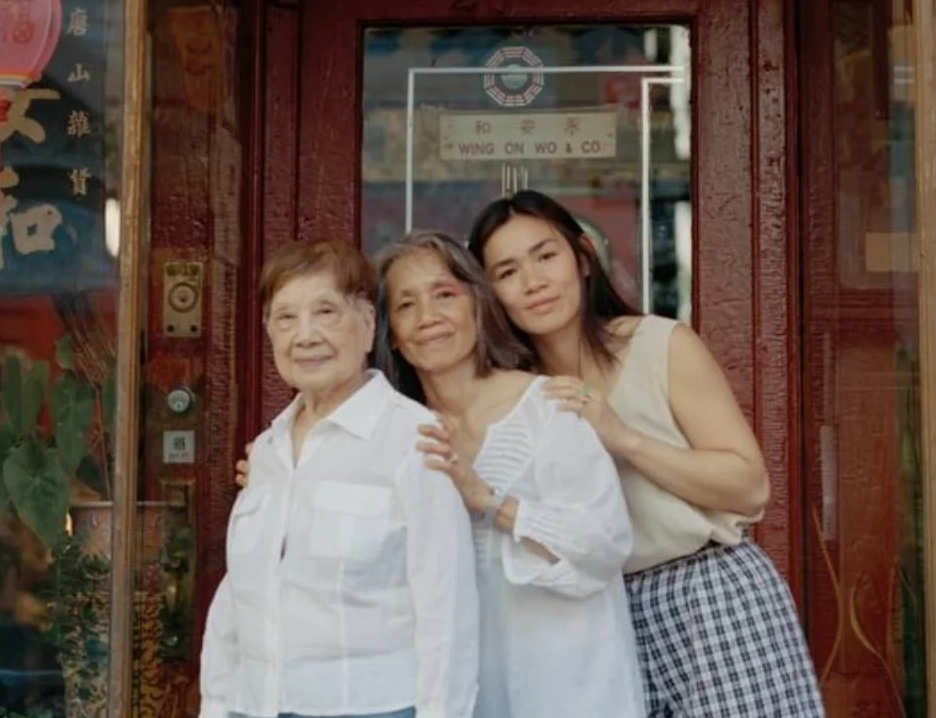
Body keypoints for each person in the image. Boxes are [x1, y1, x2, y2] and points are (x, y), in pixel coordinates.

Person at [468, 190, 825, 718]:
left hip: (708, 593)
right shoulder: (512, 396)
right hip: (590, 611)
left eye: (546, 256)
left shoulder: (661, 345)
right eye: (507, 271)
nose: (533, 282)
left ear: (583, 257)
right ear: (490, 293)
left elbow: (749, 485)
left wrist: (624, 438)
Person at [201, 239, 479, 718]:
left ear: (368, 324)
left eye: (326, 311)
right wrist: (217, 706)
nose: (305, 335)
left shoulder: (411, 440)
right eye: (285, 318)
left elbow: (446, 613)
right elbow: (239, 599)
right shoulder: (268, 450)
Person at [375, 230, 645, 718]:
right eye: (406, 305)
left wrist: (489, 500)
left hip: (574, 689)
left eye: (444, 295)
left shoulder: (548, 409)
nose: (428, 318)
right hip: (459, 695)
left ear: (478, 306)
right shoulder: (393, 433)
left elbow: (604, 544)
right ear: (391, 331)